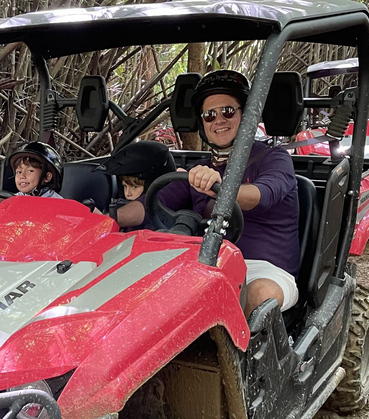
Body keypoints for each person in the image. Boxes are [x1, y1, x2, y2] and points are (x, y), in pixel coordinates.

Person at [117, 70, 300, 317]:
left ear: (246, 114)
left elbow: (260, 195)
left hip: (261, 268)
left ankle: (240, 354)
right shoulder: (200, 170)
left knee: (259, 295)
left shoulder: (274, 159)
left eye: (228, 111)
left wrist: (219, 188)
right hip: (205, 262)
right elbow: (149, 205)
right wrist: (106, 218)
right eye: (209, 115)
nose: (218, 120)